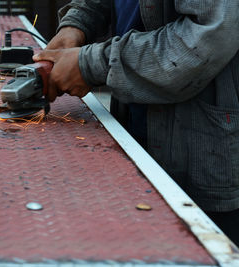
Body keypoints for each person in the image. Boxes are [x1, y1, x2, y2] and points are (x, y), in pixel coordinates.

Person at [33, 0, 239, 245]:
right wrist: (76, 24)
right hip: (135, 127)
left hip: (203, 151)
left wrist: (91, 64)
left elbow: (206, 35)